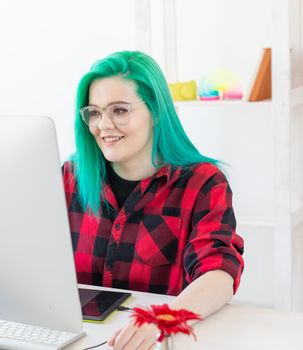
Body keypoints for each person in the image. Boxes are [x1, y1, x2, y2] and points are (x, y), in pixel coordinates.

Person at [62, 51, 244, 350]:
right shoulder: (71, 177)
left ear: (156, 111)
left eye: (119, 110)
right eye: (94, 112)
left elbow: (219, 274)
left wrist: (163, 319)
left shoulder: (202, 183)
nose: (103, 125)